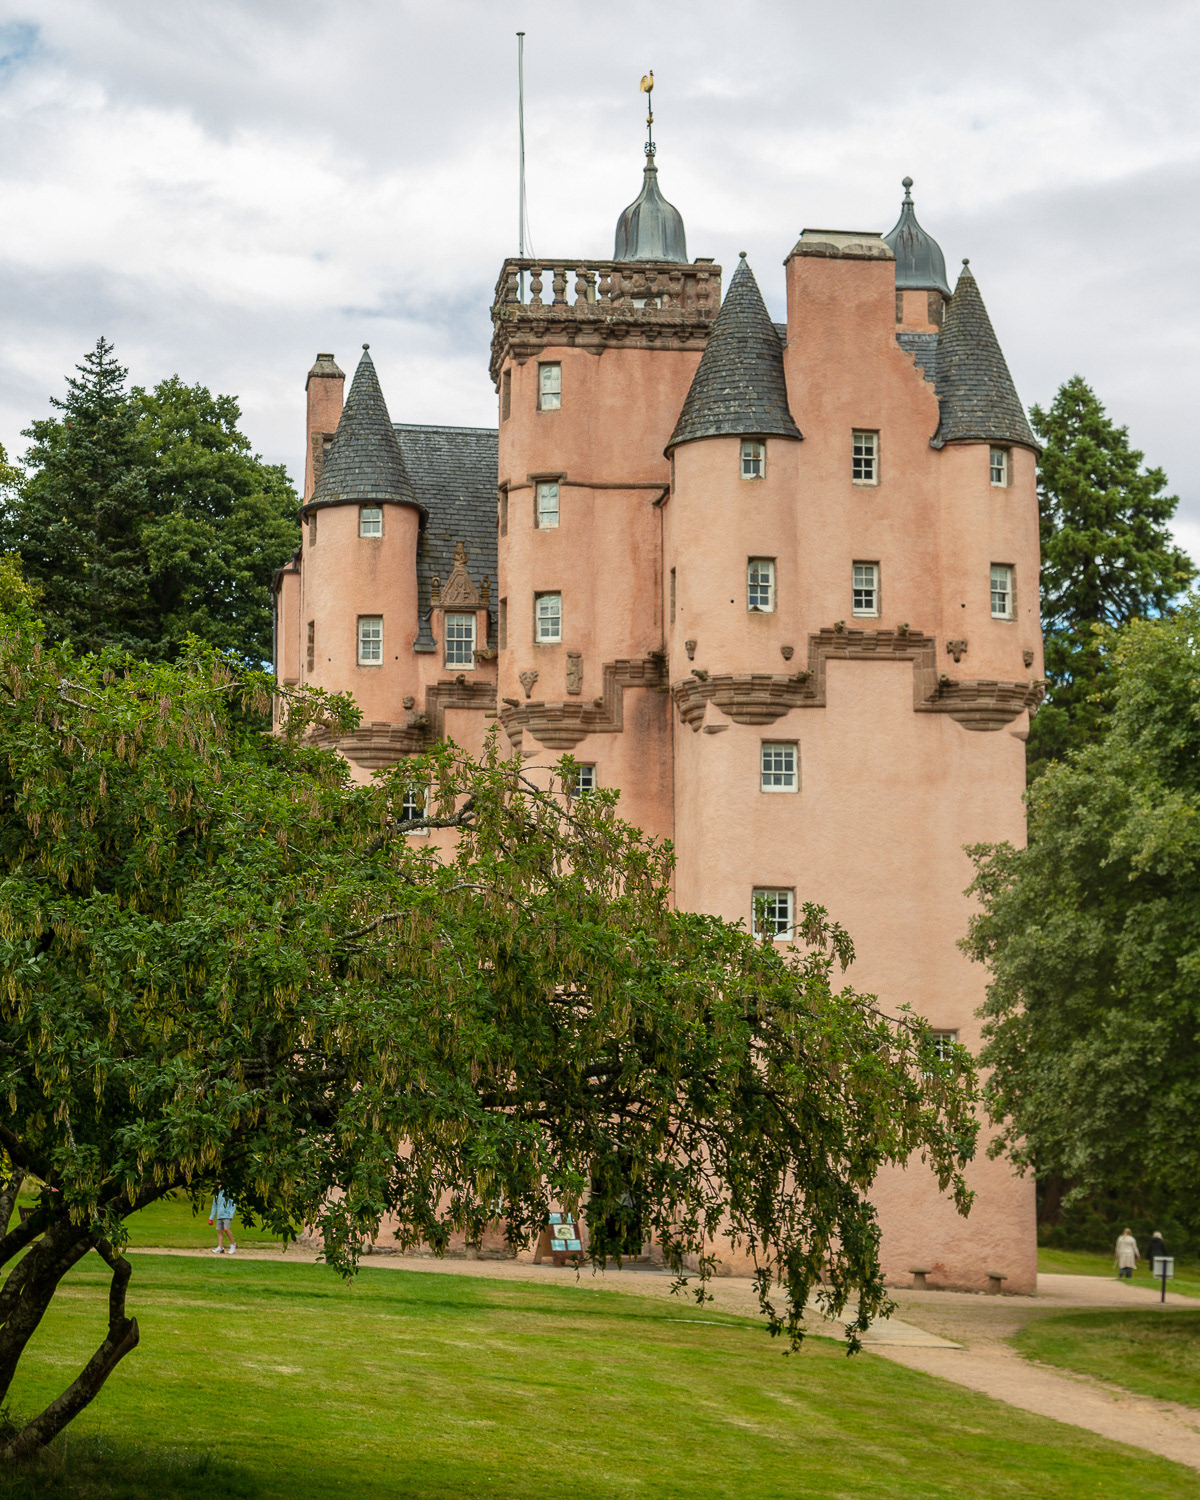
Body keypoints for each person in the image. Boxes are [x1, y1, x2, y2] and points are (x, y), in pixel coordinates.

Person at [208, 1188, 237, 1255]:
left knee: (226, 1229)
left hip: (227, 1215)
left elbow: (233, 1204)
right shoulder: (217, 1194)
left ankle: (233, 1244)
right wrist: (211, 1218)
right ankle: (220, 1247)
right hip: (219, 1215)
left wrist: (231, 1215)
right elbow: (214, 1206)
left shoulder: (228, 1193)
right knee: (219, 1231)